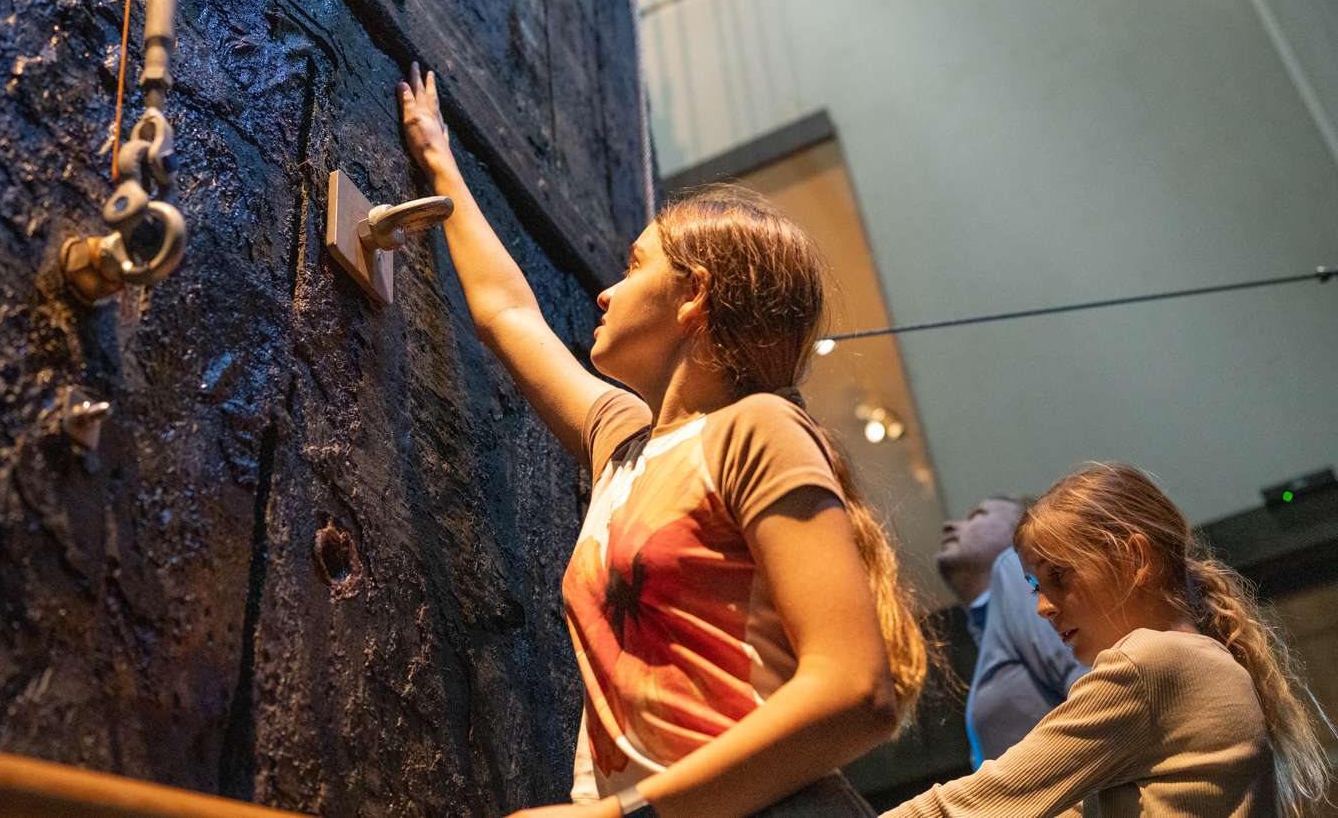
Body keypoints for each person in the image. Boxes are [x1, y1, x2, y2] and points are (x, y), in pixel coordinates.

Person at [395, 63, 928, 818]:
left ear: (695, 295)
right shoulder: (625, 443)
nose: (606, 291)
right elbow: (509, 314)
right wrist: (439, 159)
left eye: (636, 265)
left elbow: (856, 691)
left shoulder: (756, 429)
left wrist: (622, 815)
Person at [886, 463, 1333, 818]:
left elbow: (984, 802)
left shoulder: (1148, 664)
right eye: (1035, 587)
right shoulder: (1203, 660)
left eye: (1059, 576)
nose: (1043, 607)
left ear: (1136, 558)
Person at [934, 496, 1084, 768]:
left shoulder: (1012, 567)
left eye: (978, 515)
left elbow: (1084, 681)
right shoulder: (989, 625)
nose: (950, 526)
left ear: (1021, 532)